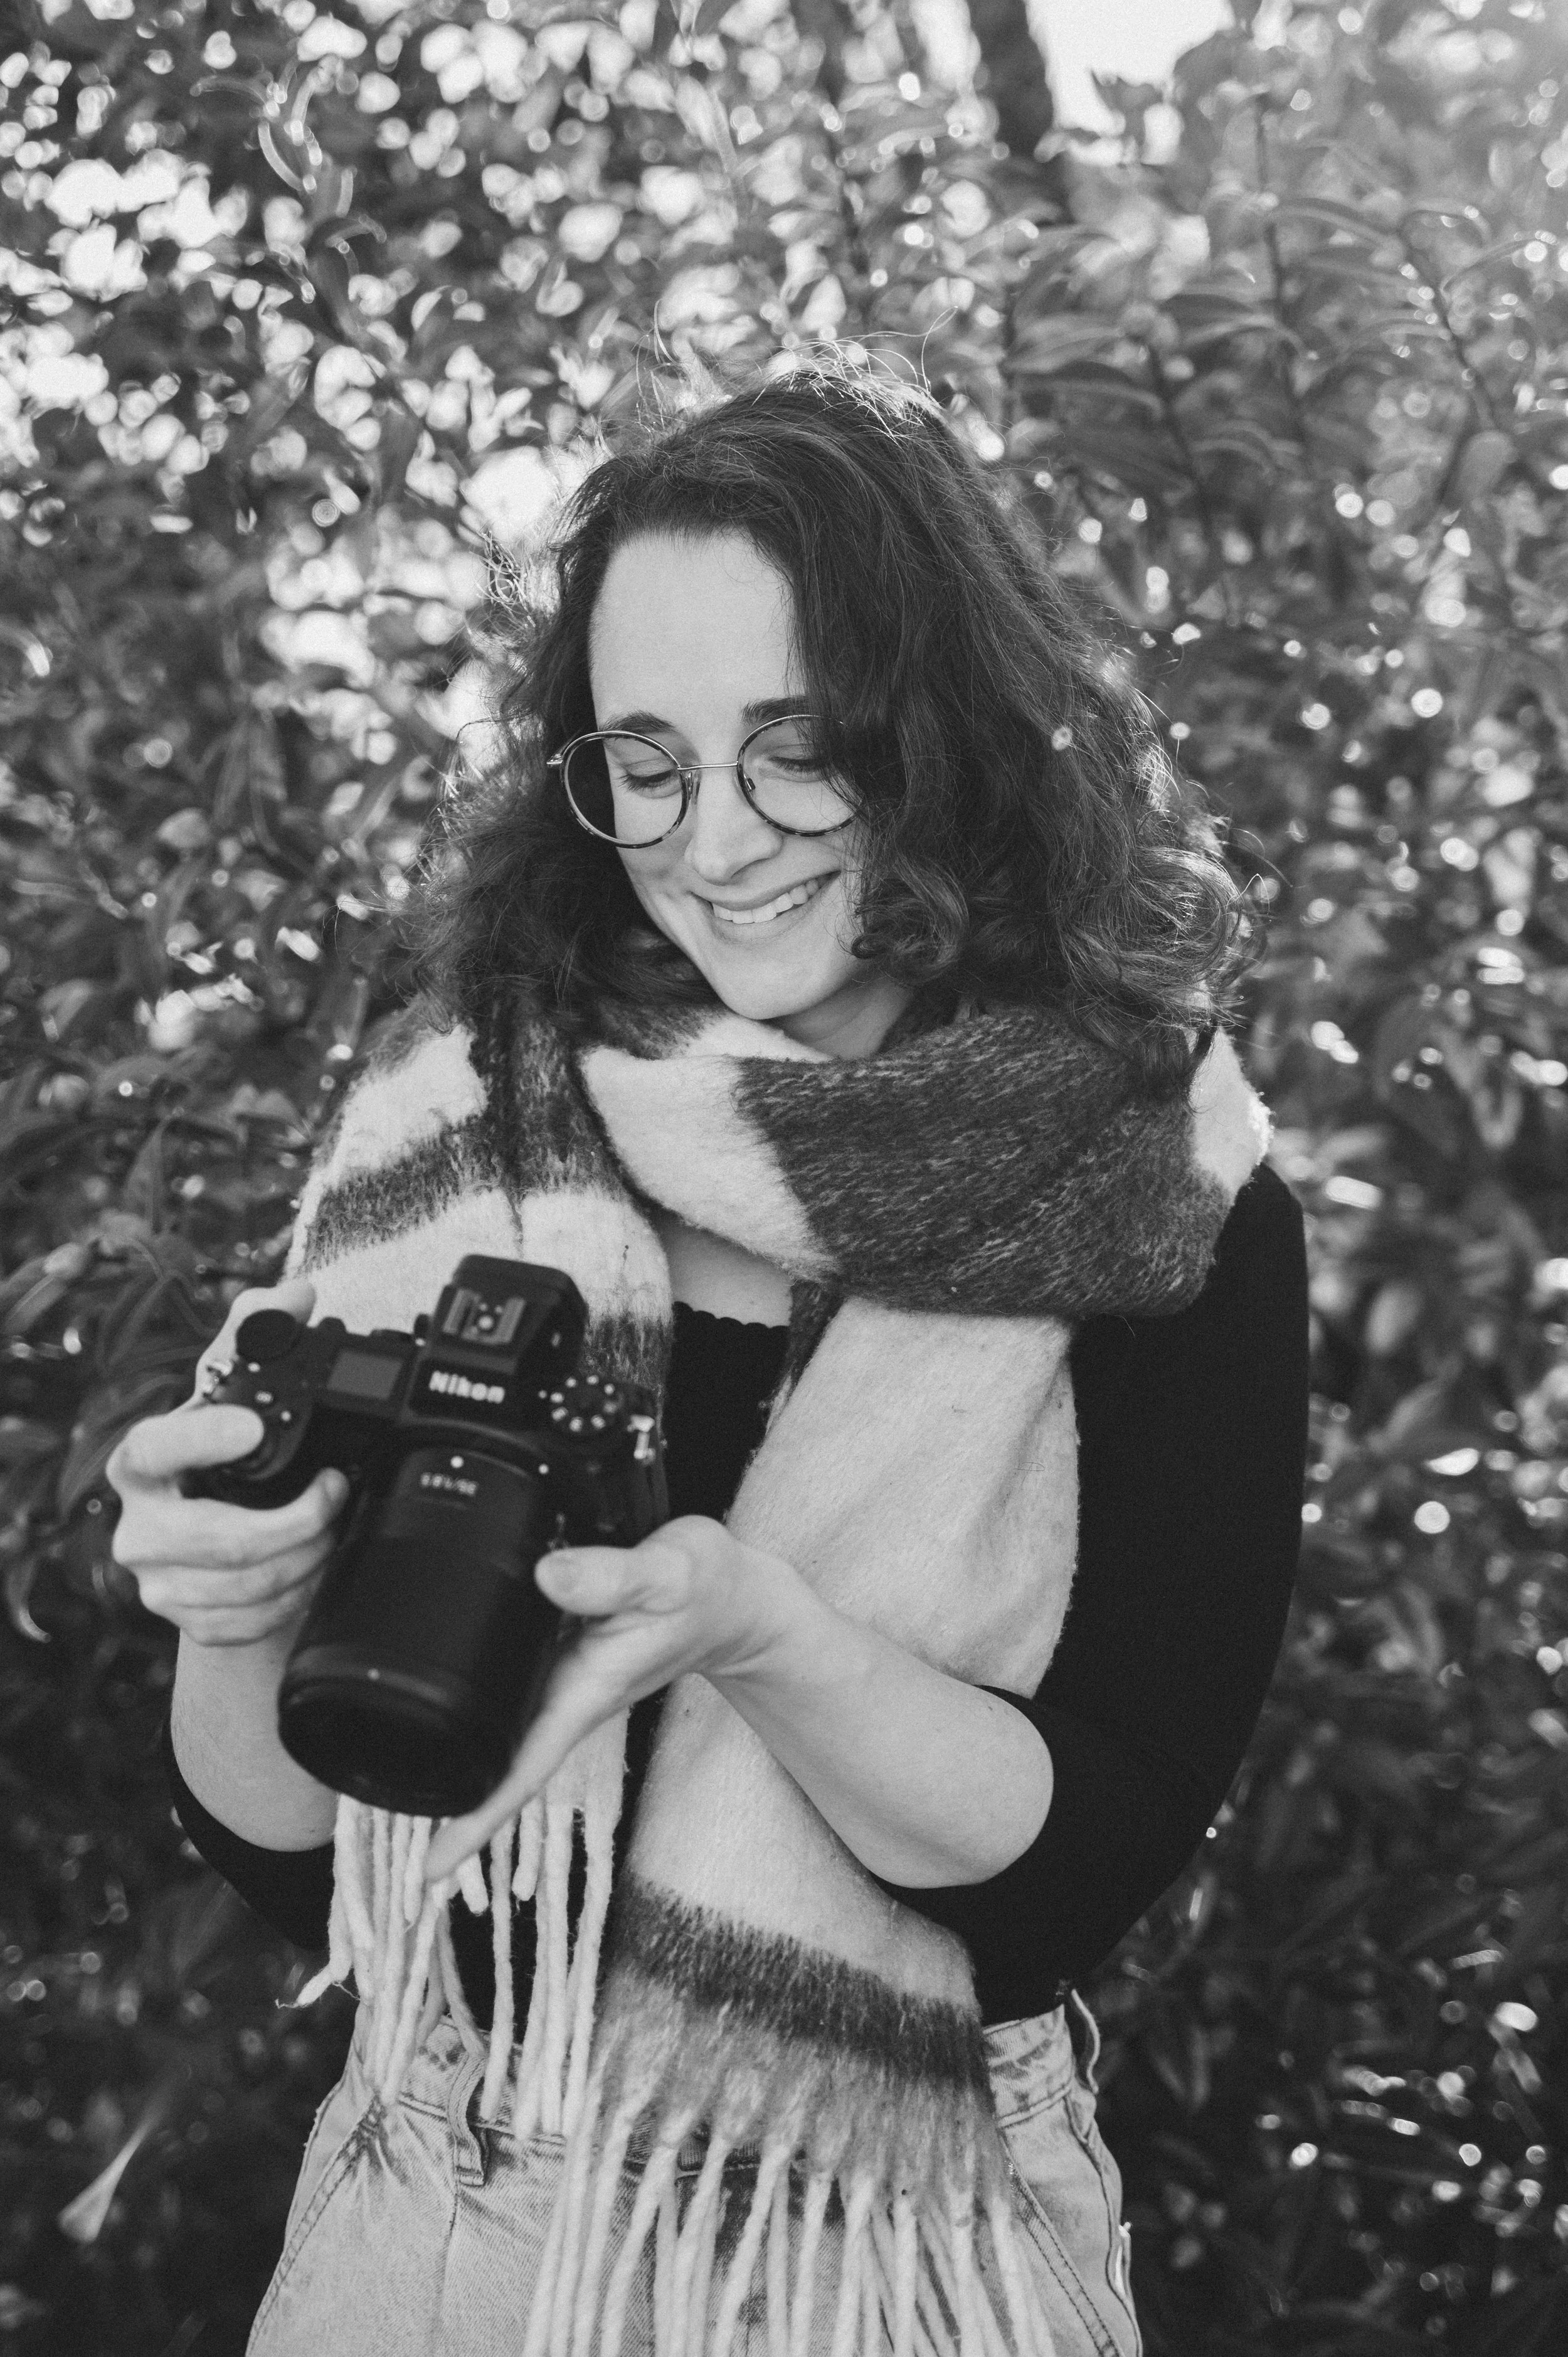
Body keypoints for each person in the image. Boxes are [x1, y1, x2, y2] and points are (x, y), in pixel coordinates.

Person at [108, 359, 1308, 2357]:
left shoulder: (1157, 1183)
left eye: (796, 745)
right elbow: (296, 1852)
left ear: (952, 732)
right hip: (437, 2196)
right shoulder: (475, 1112)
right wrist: (233, 1607)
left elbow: (1077, 1869)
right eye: (641, 757)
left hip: (883, 2237)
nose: (713, 836)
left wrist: (753, 1629)